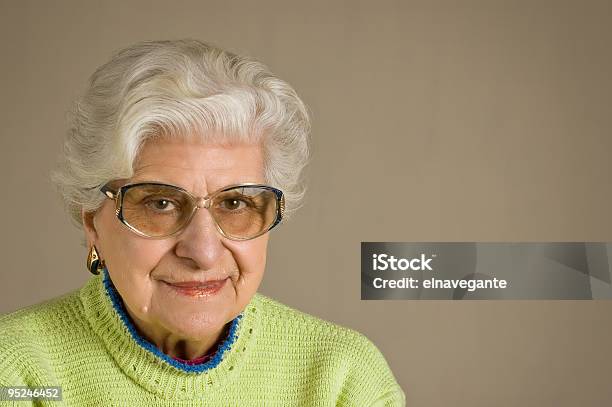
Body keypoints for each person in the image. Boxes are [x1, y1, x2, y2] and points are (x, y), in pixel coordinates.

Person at [0, 39, 405, 406]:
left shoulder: (342, 378)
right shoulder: (17, 372)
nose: (203, 250)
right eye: (160, 203)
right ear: (93, 222)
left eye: (235, 202)